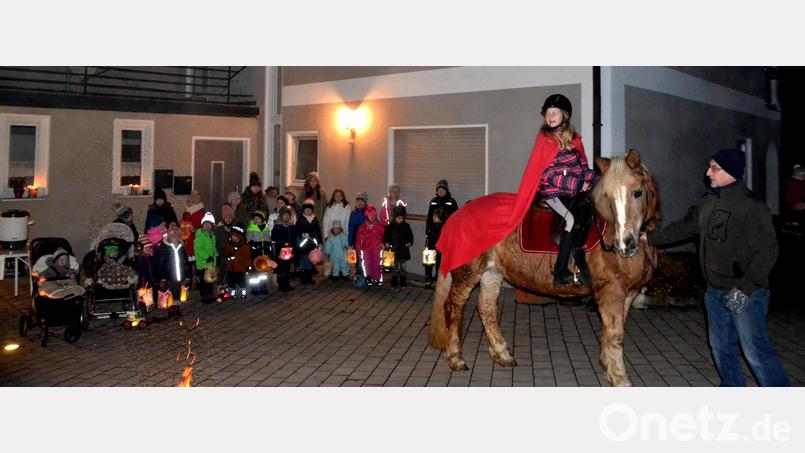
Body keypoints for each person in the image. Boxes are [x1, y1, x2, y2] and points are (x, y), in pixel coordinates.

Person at [647, 148, 790, 387]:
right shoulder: (708, 201)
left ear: (732, 172)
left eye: (715, 168)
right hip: (714, 292)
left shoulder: (751, 207)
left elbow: (767, 251)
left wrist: (745, 288)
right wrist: (649, 238)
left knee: (756, 354)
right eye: (709, 167)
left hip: (746, 293)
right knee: (721, 349)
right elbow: (684, 228)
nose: (708, 173)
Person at [533, 94, 596, 287]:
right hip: (552, 193)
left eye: (555, 112)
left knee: (589, 214)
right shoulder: (546, 140)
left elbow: (581, 166)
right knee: (571, 219)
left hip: (570, 193)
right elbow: (547, 174)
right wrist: (576, 184)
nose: (550, 116)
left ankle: (582, 258)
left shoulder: (573, 140)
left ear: (565, 116)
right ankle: (560, 272)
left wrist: (592, 177)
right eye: (548, 113)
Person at [156, 223, 190, 303]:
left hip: (180, 276)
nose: (174, 232)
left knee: (178, 294)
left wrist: (187, 276)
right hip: (169, 277)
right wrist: (163, 277)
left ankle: (176, 307)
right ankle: (172, 309)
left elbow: (186, 262)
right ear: (168, 233)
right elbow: (161, 264)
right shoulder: (164, 248)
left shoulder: (182, 247)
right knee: (170, 294)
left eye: (176, 230)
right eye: (172, 230)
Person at [383, 205, 414, 288]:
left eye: (402, 218)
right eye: (398, 218)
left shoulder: (406, 226)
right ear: (395, 217)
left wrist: (410, 242)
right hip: (393, 250)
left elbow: (410, 235)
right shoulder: (390, 227)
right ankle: (394, 280)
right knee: (394, 267)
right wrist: (386, 242)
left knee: (403, 266)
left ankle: (403, 280)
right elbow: (386, 236)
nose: (400, 220)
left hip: (403, 250)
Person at [356, 205, 384, 286]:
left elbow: (383, 236)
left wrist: (385, 244)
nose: (372, 217)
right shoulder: (362, 227)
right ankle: (369, 277)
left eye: (374, 215)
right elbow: (358, 239)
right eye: (370, 215)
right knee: (367, 264)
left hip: (376, 248)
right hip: (366, 249)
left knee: (377, 264)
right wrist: (358, 248)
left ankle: (377, 278)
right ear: (367, 216)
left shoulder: (379, 226)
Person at [271, 207, 298, 292]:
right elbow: (273, 237)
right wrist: (282, 242)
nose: (286, 217)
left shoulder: (292, 227)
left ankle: (287, 283)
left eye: (287, 215)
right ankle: (281, 285)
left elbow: (294, 239)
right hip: (280, 250)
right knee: (280, 267)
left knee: (287, 267)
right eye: (284, 215)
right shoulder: (278, 226)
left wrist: (293, 250)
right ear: (281, 216)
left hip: (289, 250)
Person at [193, 212, 218, 303]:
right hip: (203, 262)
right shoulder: (200, 236)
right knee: (204, 281)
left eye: (209, 225)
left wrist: (216, 257)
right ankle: (204, 296)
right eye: (205, 224)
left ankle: (210, 295)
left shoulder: (212, 236)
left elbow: (214, 248)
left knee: (210, 279)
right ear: (202, 225)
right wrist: (207, 257)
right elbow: (198, 249)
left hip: (211, 262)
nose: (207, 227)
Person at [295, 199, 322, 285]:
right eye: (306, 209)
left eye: (309, 209)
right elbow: (297, 231)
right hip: (303, 244)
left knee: (311, 260)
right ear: (303, 210)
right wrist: (302, 234)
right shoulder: (300, 219)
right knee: (304, 260)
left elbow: (318, 231)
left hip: (312, 244)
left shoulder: (315, 219)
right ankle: (303, 277)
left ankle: (309, 277)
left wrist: (319, 242)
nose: (307, 211)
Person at [246, 210, 272, 295]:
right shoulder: (251, 228)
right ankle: (254, 288)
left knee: (263, 272)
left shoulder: (266, 227)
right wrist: (253, 246)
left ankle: (263, 287)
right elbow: (248, 239)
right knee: (255, 272)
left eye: (258, 218)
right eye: (254, 218)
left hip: (264, 254)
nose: (256, 220)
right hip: (255, 254)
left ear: (262, 219)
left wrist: (268, 246)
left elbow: (268, 238)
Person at [223, 225, 251, 299]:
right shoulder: (229, 245)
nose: (233, 237)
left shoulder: (245, 246)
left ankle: (243, 293)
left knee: (242, 282)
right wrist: (228, 257)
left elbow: (247, 257)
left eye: (235, 236)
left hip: (241, 269)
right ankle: (233, 294)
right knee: (232, 282)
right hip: (231, 268)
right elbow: (225, 254)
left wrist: (248, 266)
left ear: (239, 236)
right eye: (232, 235)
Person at [214, 204, 236, 290]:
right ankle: (220, 285)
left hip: (231, 254)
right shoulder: (219, 230)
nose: (228, 219)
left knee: (229, 269)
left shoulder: (234, 229)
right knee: (222, 270)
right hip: (222, 254)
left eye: (230, 218)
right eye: (226, 218)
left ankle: (227, 284)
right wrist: (218, 253)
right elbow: (216, 243)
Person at [424, 206, 445, 288]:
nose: (433, 218)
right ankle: (428, 279)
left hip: (439, 248)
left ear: (440, 217)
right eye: (433, 216)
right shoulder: (431, 225)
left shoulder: (443, 226)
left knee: (439, 264)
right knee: (428, 264)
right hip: (431, 247)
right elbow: (428, 236)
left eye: (435, 216)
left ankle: (437, 278)